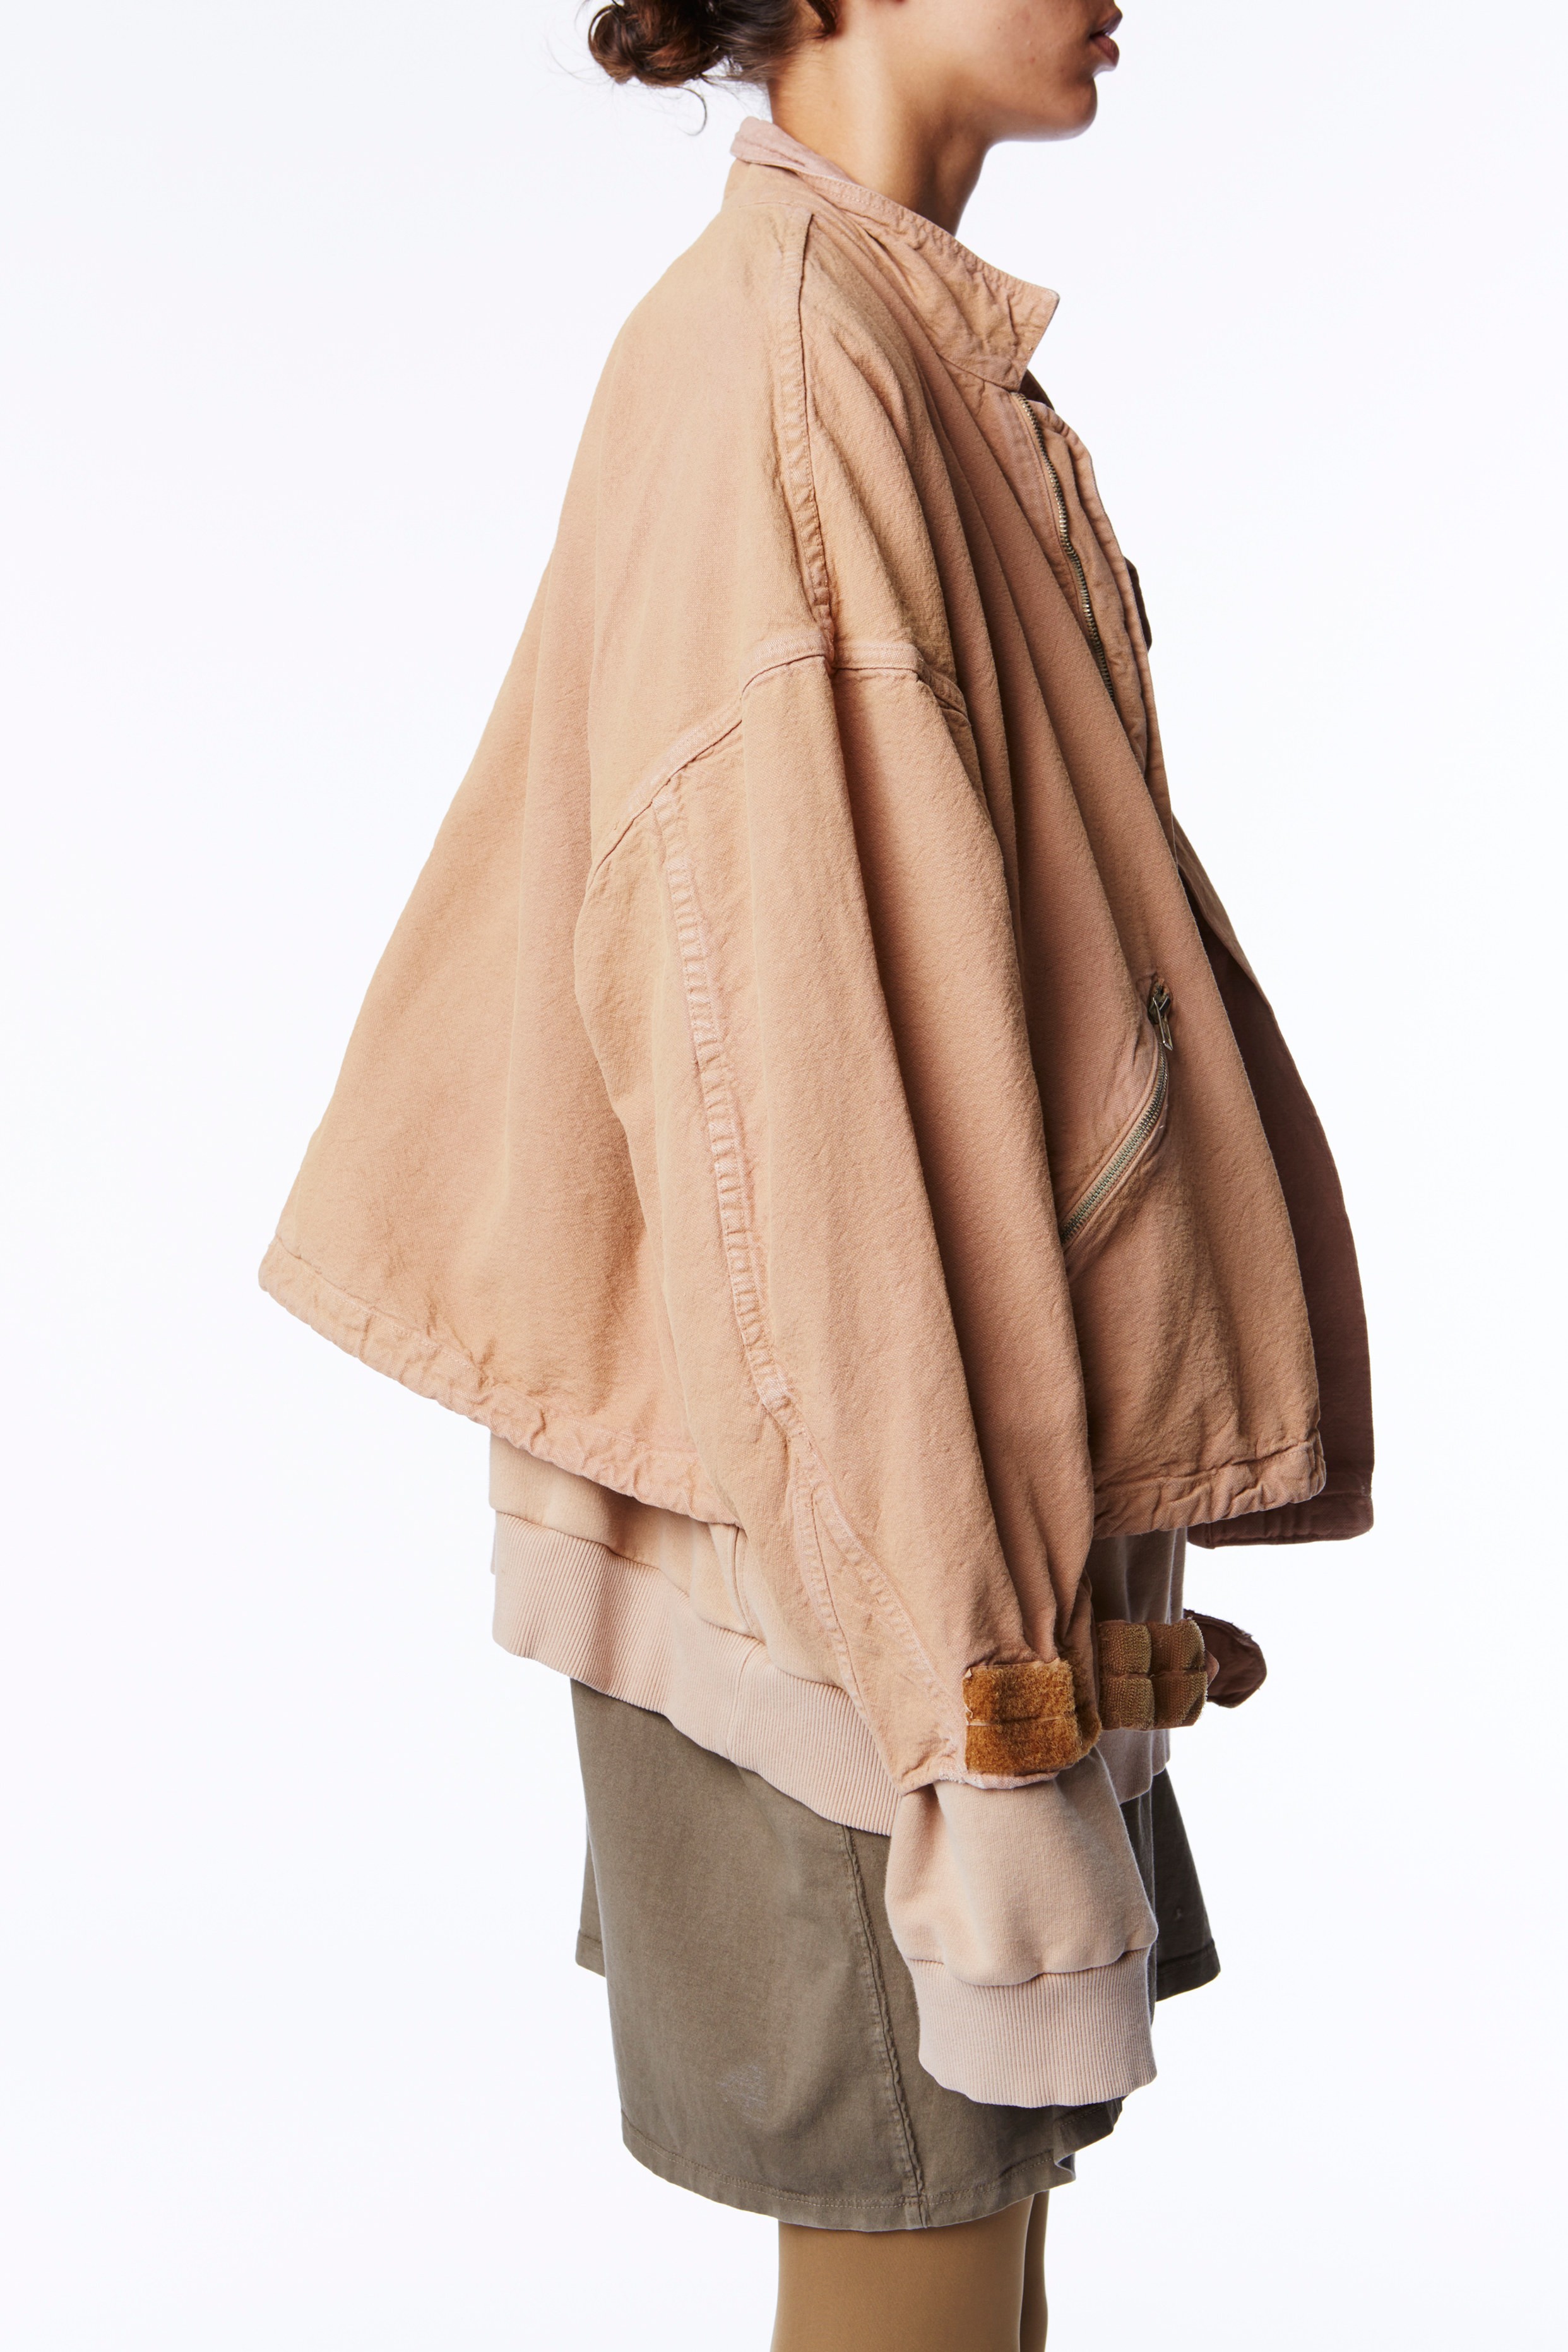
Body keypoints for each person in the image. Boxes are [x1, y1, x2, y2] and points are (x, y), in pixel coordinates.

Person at [259, 4, 1374, 2344]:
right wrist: (964, 1700)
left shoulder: (881, 346)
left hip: (937, 1533)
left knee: (976, 2254)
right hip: (860, 1580)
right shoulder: (778, 372)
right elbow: (785, 1136)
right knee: (919, 2272)